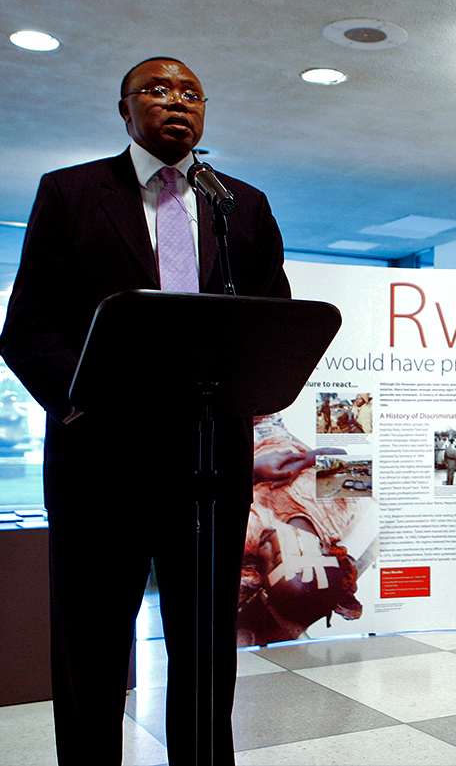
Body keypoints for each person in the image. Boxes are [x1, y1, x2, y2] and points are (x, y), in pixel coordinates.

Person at [0, 57, 290, 765]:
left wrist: (254, 388)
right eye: (158, 90)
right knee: (92, 645)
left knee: (205, 647)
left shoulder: (240, 205)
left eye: (192, 92)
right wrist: (80, 407)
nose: (177, 102)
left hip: (208, 468)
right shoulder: (70, 193)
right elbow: (28, 329)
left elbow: (275, 319)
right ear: (124, 110)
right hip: (99, 462)